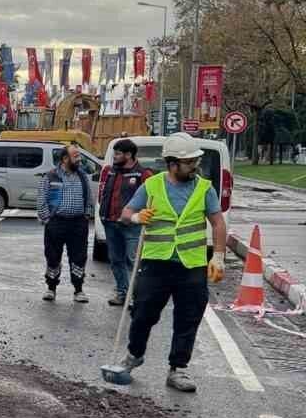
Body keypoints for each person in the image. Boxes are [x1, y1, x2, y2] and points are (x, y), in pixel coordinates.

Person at [119, 131, 226, 393]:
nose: (194, 166)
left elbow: (218, 222)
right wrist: (136, 218)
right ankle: (134, 355)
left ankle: (178, 369)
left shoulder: (204, 188)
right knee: (143, 313)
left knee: (188, 317)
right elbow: (125, 213)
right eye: (189, 162)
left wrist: (219, 257)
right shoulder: (152, 186)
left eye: (195, 162)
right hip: (156, 263)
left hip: (192, 265)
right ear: (173, 163)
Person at [38, 142, 92, 304]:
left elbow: (88, 199)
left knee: (79, 257)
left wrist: (86, 216)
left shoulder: (82, 176)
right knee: (53, 256)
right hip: (56, 223)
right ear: (64, 158)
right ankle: (51, 288)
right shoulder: (51, 176)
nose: (79, 159)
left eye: (79, 156)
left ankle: (78, 289)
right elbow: (41, 200)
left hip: (78, 224)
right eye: (76, 156)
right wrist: (48, 219)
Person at [99, 138, 149, 305]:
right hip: (111, 224)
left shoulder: (143, 174)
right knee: (116, 260)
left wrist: (138, 217)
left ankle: (136, 297)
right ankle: (122, 293)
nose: (115, 157)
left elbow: (152, 200)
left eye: (118, 154)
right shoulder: (112, 171)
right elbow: (104, 193)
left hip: (132, 226)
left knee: (133, 262)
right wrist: (103, 215)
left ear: (129, 155)